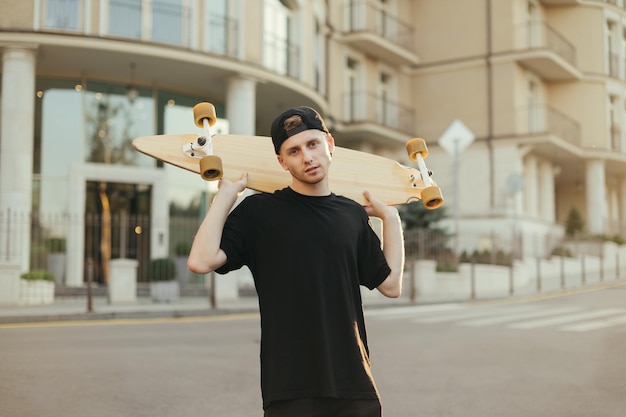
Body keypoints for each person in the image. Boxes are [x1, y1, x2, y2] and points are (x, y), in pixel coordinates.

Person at [188, 106, 405, 417]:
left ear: (330, 144)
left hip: (354, 384)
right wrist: (225, 195)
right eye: (294, 150)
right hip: (290, 389)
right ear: (282, 161)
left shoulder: (352, 214)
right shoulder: (259, 212)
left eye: (313, 144)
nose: (307, 157)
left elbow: (391, 285)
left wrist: (391, 218)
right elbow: (201, 261)